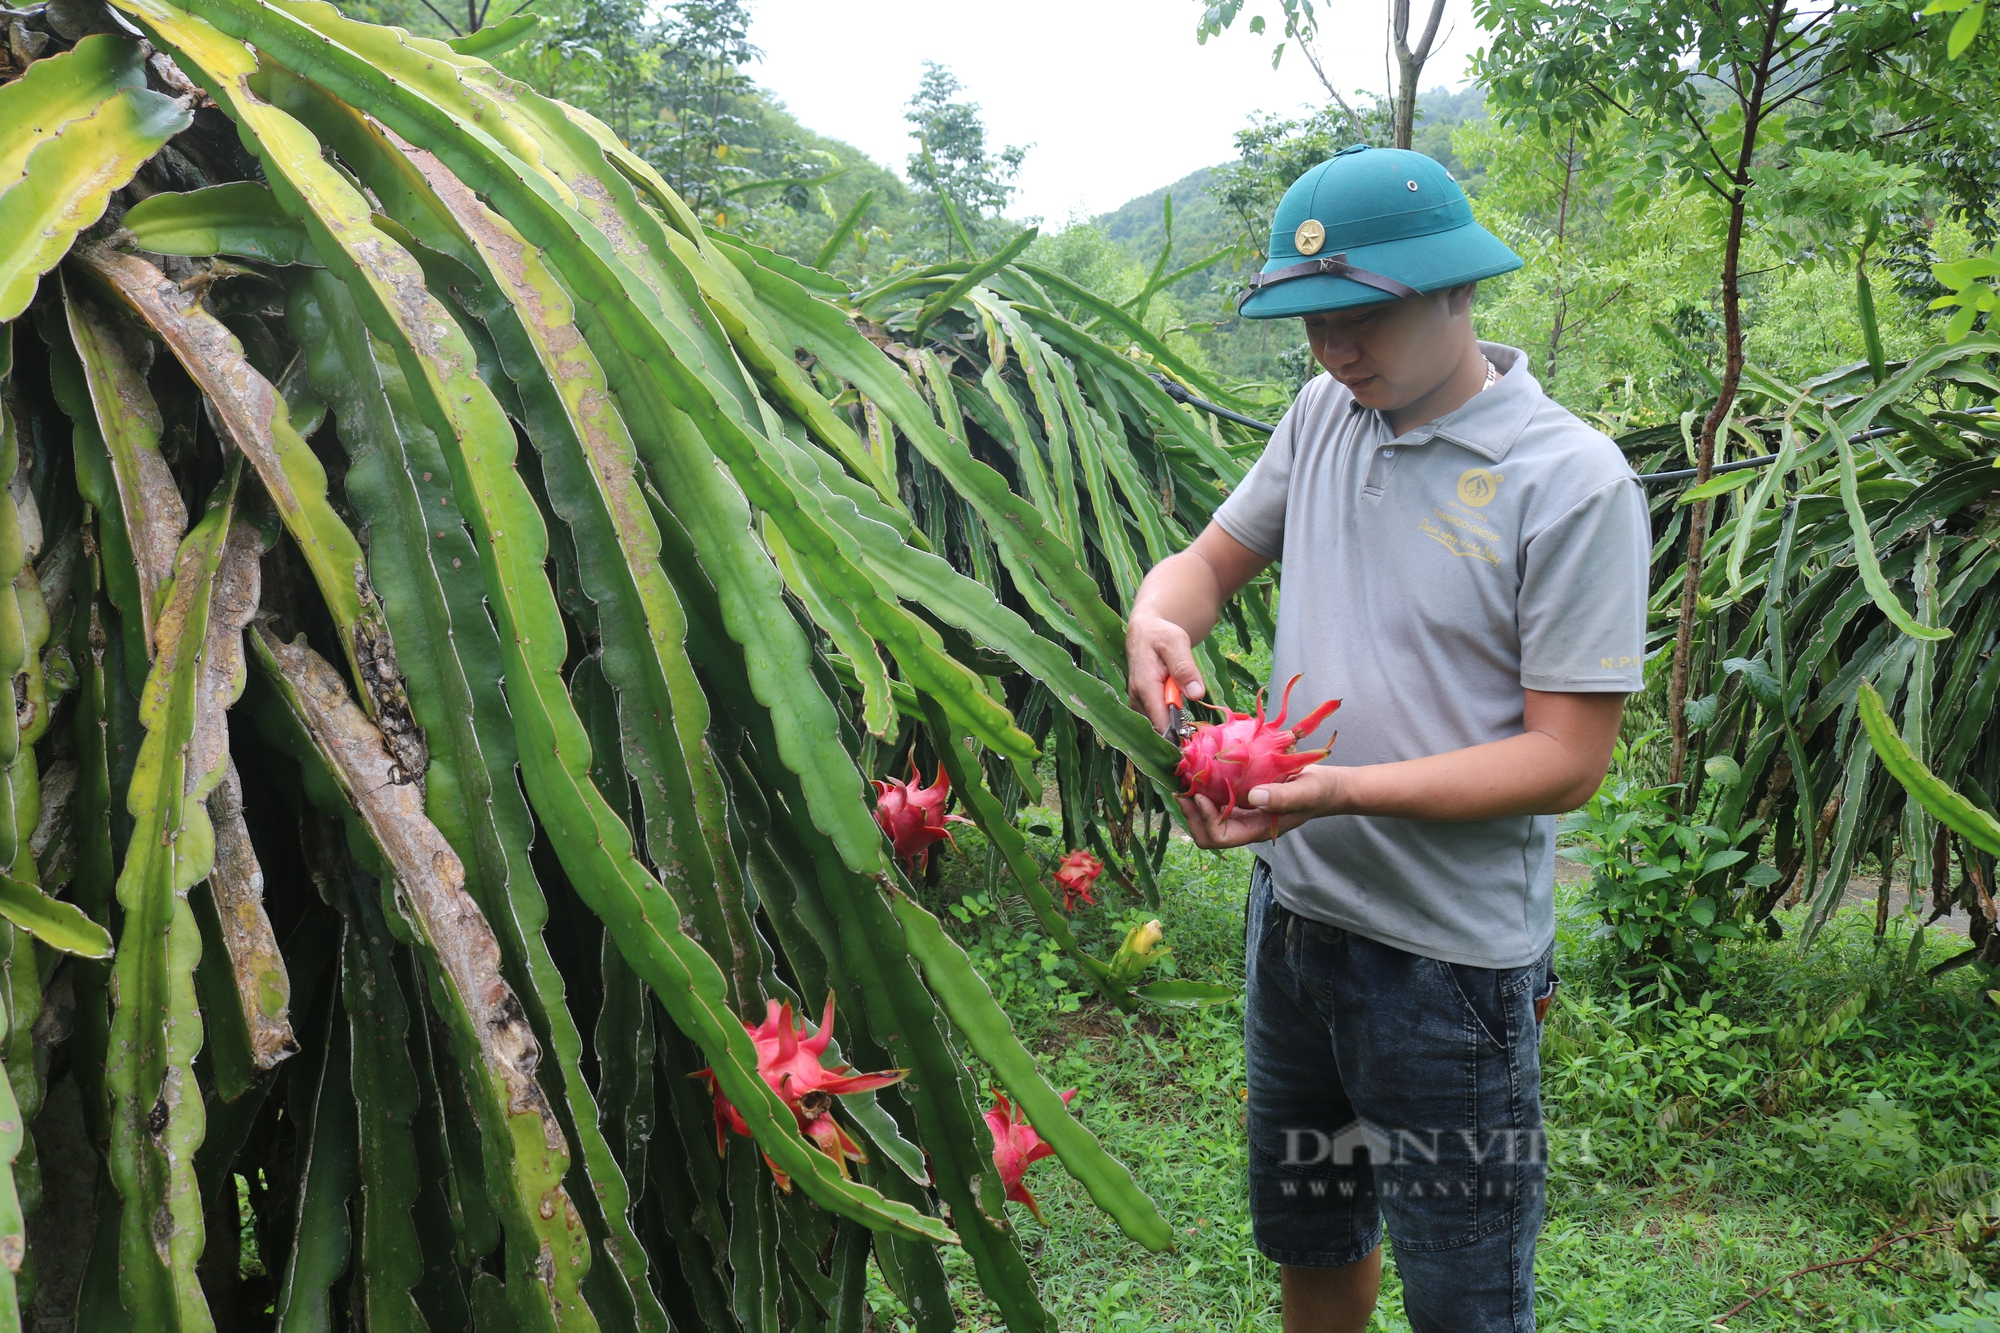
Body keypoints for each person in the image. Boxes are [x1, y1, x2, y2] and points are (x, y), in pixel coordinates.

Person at [1126, 144, 1650, 1333]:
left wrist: (1338, 789)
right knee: (1317, 1225)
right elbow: (1205, 566)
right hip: (1296, 931)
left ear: (1459, 289)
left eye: (1362, 314)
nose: (1332, 348)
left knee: (1463, 1289)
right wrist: (1154, 621)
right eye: (1309, 319)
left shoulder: (1565, 482)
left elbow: (1565, 759)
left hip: (1444, 973)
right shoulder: (1322, 415)